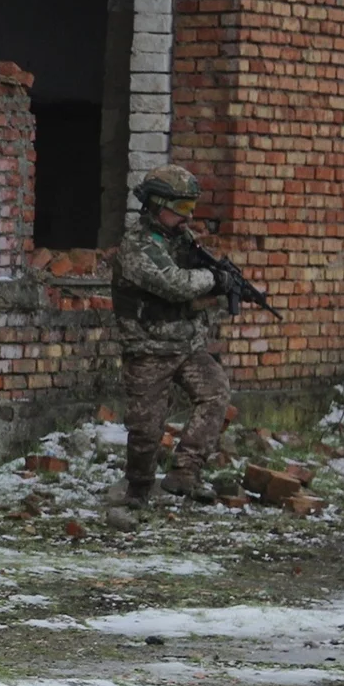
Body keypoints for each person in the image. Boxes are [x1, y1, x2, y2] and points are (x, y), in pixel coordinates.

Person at [111, 163, 232, 506]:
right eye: (180, 209)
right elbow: (176, 285)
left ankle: (185, 474)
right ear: (155, 205)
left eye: (191, 208)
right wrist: (213, 279)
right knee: (147, 429)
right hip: (148, 348)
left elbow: (198, 275)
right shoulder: (137, 247)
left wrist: (221, 277)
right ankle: (138, 490)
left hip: (186, 345)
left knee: (215, 393)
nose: (188, 218)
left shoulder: (179, 239)